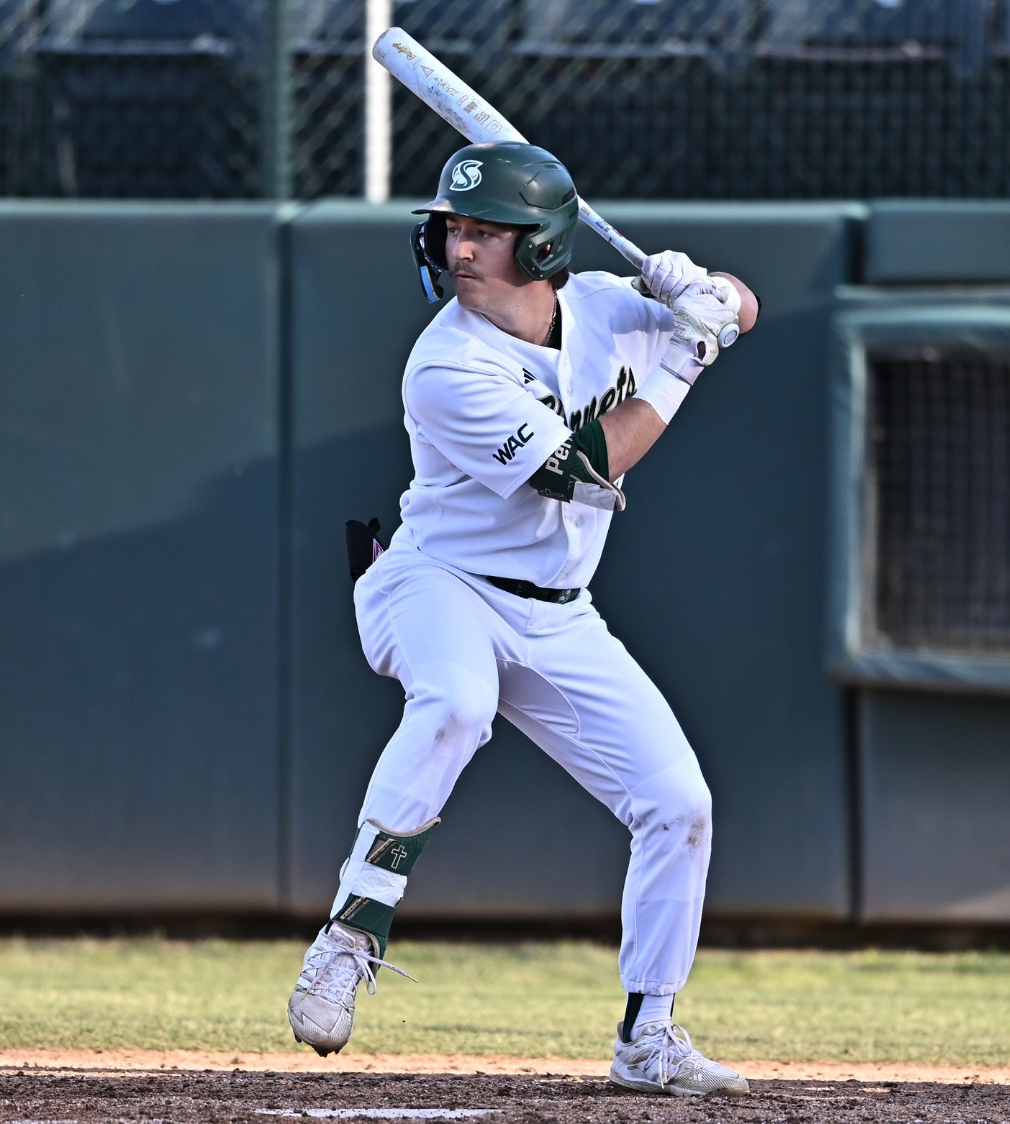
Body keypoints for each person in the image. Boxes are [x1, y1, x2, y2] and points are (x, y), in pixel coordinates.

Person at [283, 140, 758, 1098]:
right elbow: (588, 468)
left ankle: (649, 1033)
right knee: (457, 700)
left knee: (680, 805)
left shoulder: (602, 310)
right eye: (457, 227)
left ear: (542, 249)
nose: (463, 249)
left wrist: (698, 288)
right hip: (439, 582)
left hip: (559, 614)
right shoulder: (445, 366)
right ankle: (350, 932)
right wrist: (688, 354)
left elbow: (744, 304)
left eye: (489, 233)